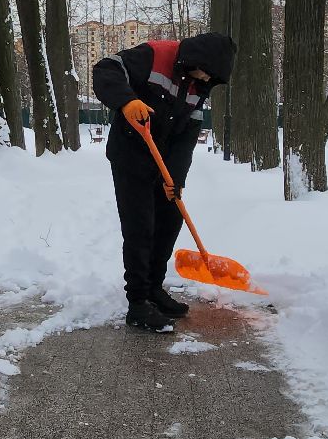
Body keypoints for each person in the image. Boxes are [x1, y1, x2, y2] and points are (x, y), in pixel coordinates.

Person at [92, 32, 236, 332]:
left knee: (169, 220)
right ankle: (138, 303)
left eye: (213, 76)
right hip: (131, 154)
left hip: (164, 160)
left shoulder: (201, 84)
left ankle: (155, 289)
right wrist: (127, 101)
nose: (207, 78)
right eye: (206, 70)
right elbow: (106, 68)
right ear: (197, 58)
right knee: (140, 227)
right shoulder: (155, 55)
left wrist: (176, 179)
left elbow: (187, 134)